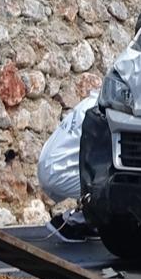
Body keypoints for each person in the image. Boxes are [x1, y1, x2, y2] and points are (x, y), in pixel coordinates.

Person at [38, 92, 100, 243]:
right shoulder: (103, 110)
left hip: (47, 165)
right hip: (60, 173)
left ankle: (88, 220)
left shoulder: (90, 103)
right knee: (117, 182)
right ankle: (74, 220)